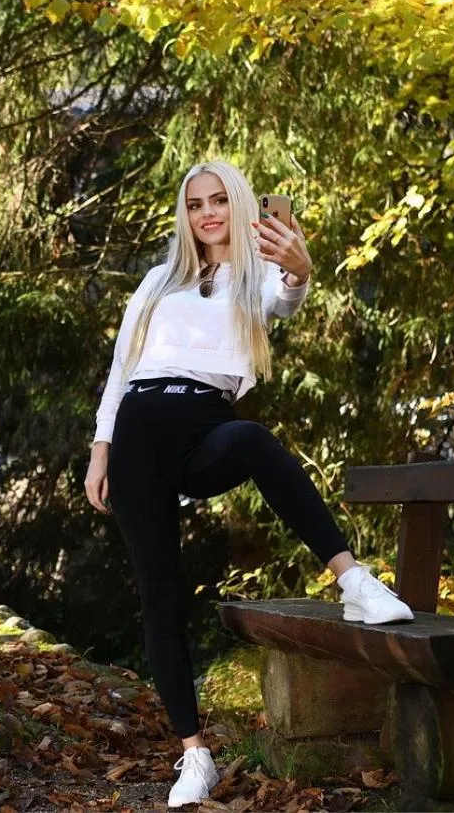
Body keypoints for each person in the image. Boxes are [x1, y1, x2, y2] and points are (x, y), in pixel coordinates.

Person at [83, 160, 414, 808]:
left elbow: (287, 298)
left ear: (235, 205)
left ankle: (354, 582)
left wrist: (300, 268)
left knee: (253, 441)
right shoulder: (157, 281)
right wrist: (101, 452)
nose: (206, 212)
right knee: (160, 596)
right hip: (138, 433)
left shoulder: (254, 276)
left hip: (205, 421)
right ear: (185, 214)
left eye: (216, 200)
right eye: (194, 203)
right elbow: (121, 371)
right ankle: (194, 754)